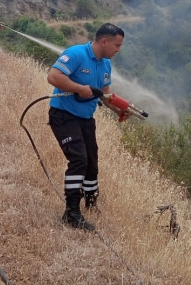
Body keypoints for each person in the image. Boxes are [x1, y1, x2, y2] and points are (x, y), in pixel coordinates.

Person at [46, 23, 126, 230]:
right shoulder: (76, 54)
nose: (119, 50)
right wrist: (79, 89)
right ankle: (71, 212)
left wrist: (119, 109)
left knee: (91, 161)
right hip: (63, 115)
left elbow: (104, 93)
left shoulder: (105, 64)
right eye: (117, 45)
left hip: (85, 118)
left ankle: (91, 202)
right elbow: (53, 77)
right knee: (79, 159)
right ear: (104, 41)